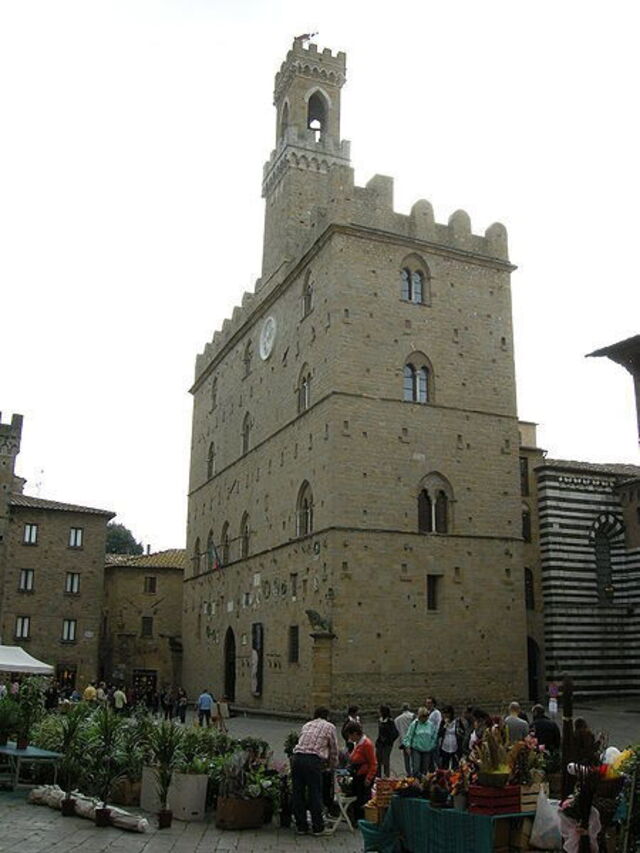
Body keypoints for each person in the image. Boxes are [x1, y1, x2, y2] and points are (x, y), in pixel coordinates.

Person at [291, 706, 338, 837]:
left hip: (297, 758)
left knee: (298, 792)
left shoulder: (307, 725)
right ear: (327, 716)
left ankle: (301, 826)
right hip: (313, 760)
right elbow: (334, 749)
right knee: (314, 792)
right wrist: (332, 766)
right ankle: (318, 827)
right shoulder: (329, 726)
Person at [344, 721, 377, 821]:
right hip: (357, 774)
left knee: (362, 799)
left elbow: (373, 763)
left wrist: (369, 778)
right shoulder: (357, 743)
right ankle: (355, 818)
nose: (350, 738)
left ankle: (362, 819)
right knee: (356, 798)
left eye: (350, 735)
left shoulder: (366, 744)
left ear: (355, 733)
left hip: (364, 776)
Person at [403, 706, 438, 775]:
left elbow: (434, 736)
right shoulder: (414, 724)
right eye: (423, 716)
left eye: (426, 716)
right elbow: (409, 736)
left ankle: (423, 783)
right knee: (416, 769)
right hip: (416, 749)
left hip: (427, 750)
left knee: (424, 770)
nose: (424, 718)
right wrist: (408, 746)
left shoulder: (431, 725)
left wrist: (432, 746)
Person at [375, 705, 398, 778]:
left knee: (385, 761)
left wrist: (389, 740)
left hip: (387, 745)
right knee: (378, 761)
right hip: (380, 744)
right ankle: (378, 776)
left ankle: (386, 776)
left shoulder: (390, 721)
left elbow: (395, 733)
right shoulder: (380, 720)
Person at [438, 705, 463, 769]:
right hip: (445, 746)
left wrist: (459, 732)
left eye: (447, 713)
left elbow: (462, 732)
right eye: (444, 713)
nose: (446, 715)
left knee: (455, 766)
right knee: (444, 765)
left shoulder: (457, 722)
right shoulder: (443, 722)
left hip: (455, 746)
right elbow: (439, 733)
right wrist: (444, 726)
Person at [394, 703, 415, 775]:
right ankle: (414, 772)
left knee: (406, 759)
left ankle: (408, 773)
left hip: (403, 741)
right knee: (414, 758)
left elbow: (397, 730)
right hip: (413, 740)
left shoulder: (397, 719)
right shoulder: (413, 716)